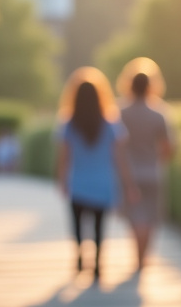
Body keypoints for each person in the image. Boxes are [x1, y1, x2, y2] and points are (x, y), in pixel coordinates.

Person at [55, 67, 137, 281]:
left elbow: (64, 157)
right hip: (103, 183)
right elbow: (120, 158)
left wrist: (62, 180)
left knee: (78, 224)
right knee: (99, 226)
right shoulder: (110, 124)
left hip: (78, 182)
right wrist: (128, 184)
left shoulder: (68, 124)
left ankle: (80, 255)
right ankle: (98, 264)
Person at [116, 58, 175, 270]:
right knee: (150, 218)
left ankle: (138, 257)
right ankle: (144, 258)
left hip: (129, 174)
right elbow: (169, 147)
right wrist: (158, 158)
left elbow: (116, 147)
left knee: (135, 218)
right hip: (153, 172)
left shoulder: (120, 112)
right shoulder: (159, 113)